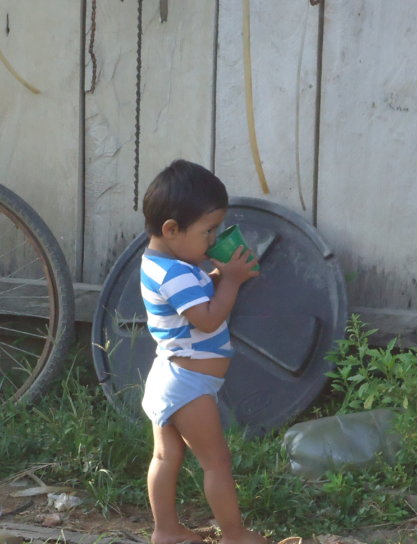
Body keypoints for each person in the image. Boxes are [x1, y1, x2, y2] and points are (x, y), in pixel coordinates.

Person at [139, 159, 267, 544]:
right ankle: (234, 534)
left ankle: (166, 530)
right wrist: (229, 281)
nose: (213, 240)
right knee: (216, 463)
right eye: (208, 231)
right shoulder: (176, 273)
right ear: (171, 229)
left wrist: (216, 276)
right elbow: (207, 319)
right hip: (189, 384)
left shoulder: (162, 264)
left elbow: (191, 299)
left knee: (165, 457)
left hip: (170, 379)